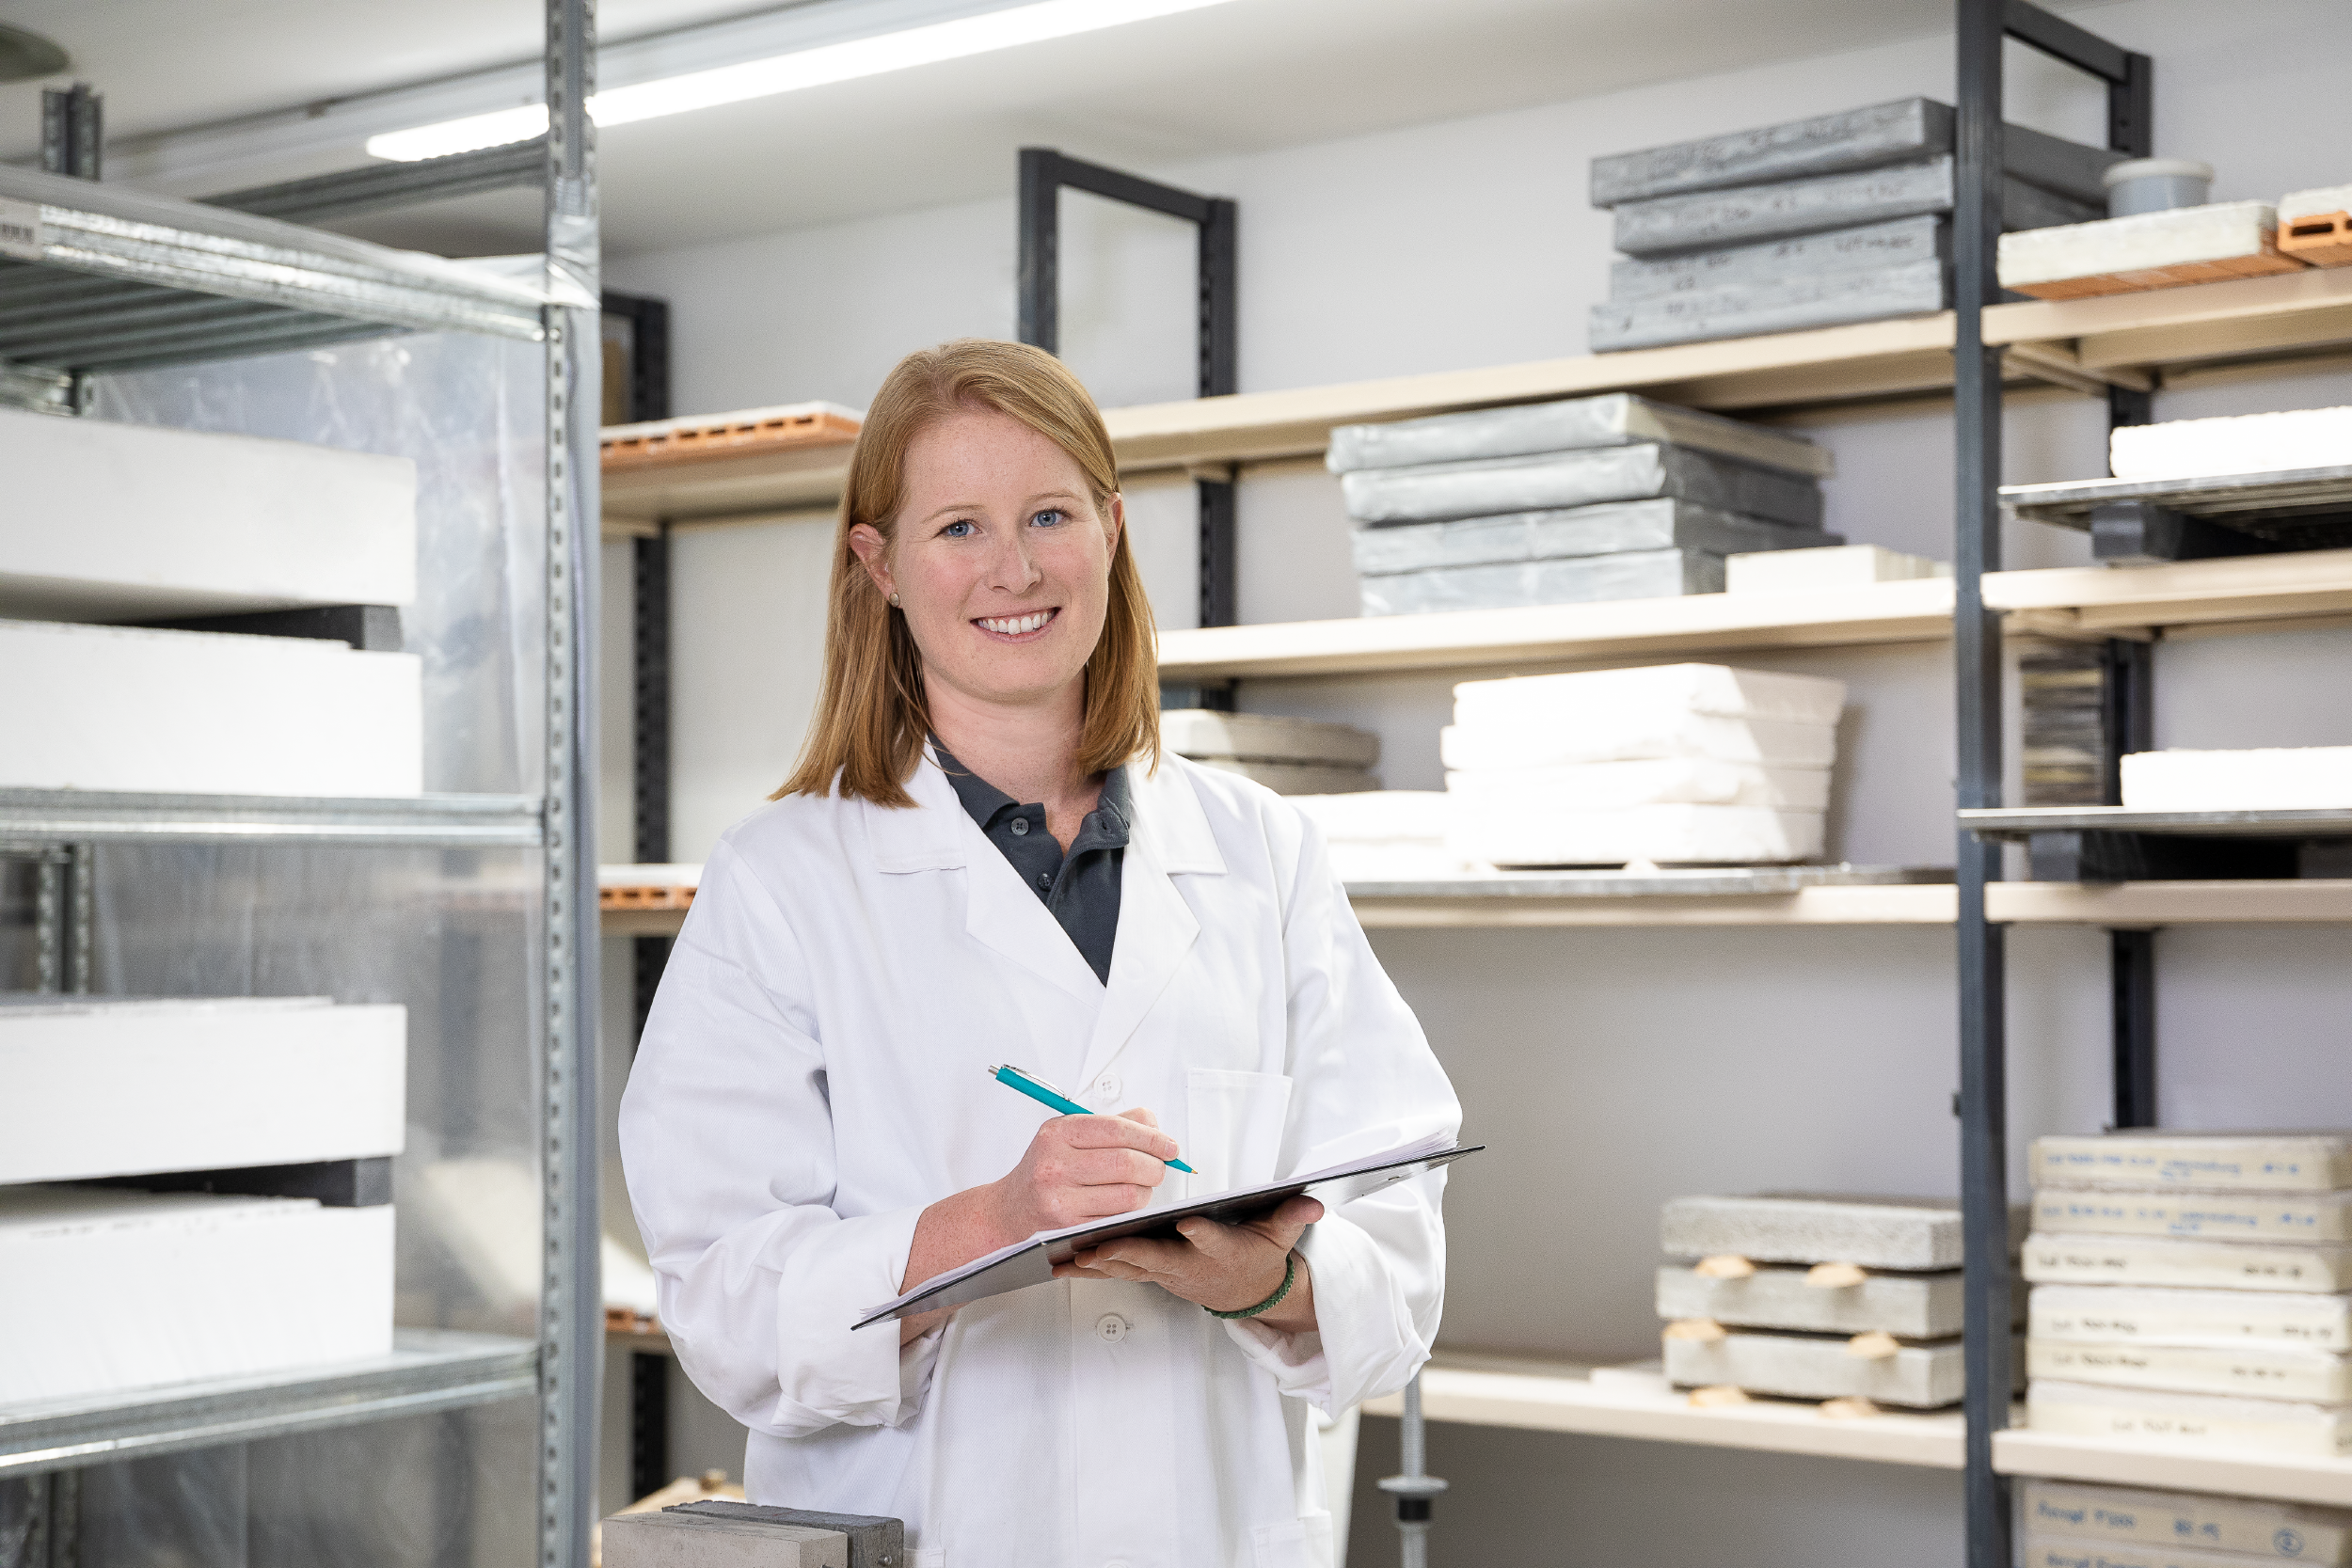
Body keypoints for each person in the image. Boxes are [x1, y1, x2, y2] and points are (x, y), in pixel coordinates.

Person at [620, 339, 1460, 1568]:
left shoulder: (1261, 852)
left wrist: (1260, 1281)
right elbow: (728, 1302)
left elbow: (1397, 1233)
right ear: (881, 567)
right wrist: (991, 1223)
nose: (1013, 567)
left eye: (1050, 513)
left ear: (1111, 532)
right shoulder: (782, 880)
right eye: (958, 525)